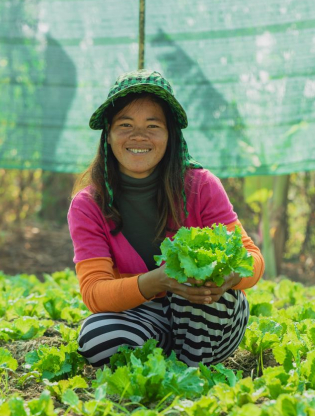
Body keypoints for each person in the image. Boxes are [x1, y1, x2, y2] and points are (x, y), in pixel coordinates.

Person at [67, 69, 265, 367]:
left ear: (170, 134)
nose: (139, 136)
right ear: (108, 134)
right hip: (146, 319)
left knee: (197, 284)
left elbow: (251, 257)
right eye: (125, 124)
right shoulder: (89, 204)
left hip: (210, 318)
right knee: (95, 335)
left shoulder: (201, 186)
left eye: (153, 125)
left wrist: (229, 277)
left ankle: (192, 372)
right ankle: (173, 363)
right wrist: (157, 281)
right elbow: (95, 292)